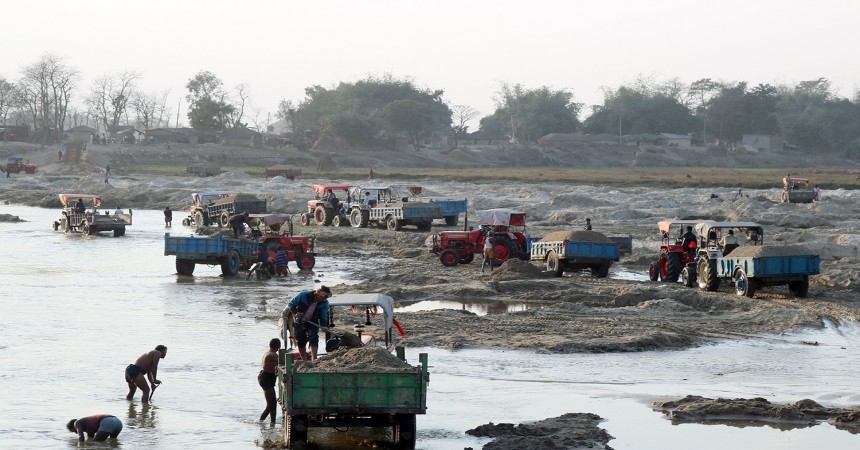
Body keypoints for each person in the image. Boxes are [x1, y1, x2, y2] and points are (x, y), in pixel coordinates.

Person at [287, 286, 332, 361]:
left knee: (313, 338)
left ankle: (314, 358)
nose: (324, 299)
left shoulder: (324, 303)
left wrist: (324, 326)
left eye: (325, 298)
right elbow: (291, 305)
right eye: (323, 297)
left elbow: (323, 315)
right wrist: (296, 313)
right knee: (300, 340)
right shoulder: (303, 295)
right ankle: (304, 360)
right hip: (299, 321)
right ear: (317, 294)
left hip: (312, 322)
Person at [258, 338, 280, 423]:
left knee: (273, 403)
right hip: (267, 378)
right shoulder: (272, 355)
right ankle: (260, 421)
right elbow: (282, 360)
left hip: (266, 377)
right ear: (278, 347)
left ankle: (273, 422)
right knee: (271, 404)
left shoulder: (268, 353)